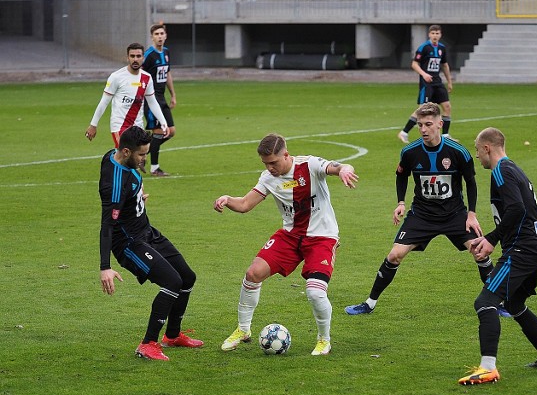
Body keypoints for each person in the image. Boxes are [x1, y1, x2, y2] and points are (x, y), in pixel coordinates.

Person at [214, 133, 359, 356]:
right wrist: (227, 199)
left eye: (273, 162)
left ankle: (324, 340)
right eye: (266, 163)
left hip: (322, 237)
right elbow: (244, 205)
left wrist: (345, 168)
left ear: (286, 155)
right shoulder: (268, 178)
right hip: (290, 236)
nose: (270, 168)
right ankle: (243, 330)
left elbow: (335, 166)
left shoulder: (309, 165)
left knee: (315, 292)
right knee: (253, 273)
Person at [345, 102, 493, 316]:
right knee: (395, 255)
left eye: (428, 124)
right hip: (422, 216)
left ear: (440, 124)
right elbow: (401, 176)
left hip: (455, 215)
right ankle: (369, 303)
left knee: (480, 252)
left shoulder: (459, 152)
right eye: (420, 125)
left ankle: (498, 303)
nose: (423, 129)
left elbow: (471, 182)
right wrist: (401, 203)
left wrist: (471, 214)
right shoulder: (410, 152)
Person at [459, 127, 537, 385]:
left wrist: (491, 239)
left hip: (522, 250)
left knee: (485, 301)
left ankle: (488, 367)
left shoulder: (502, 171)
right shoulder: (514, 168)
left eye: (476, 148)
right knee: (515, 305)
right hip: (536, 247)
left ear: (487, 148)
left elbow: (515, 209)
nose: (476, 154)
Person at [99, 126, 202, 361]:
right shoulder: (115, 187)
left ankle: (173, 336)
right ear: (126, 151)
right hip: (128, 243)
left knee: (187, 277)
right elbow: (107, 225)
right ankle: (147, 344)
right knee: (172, 281)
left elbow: (122, 175)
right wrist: (105, 267)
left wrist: (137, 196)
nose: (145, 158)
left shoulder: (111, 156)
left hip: (147, 232)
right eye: (142, 155)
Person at [86, 43, 168, 157]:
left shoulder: (147, 78)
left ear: (143, 58)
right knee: (126, 157)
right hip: (120, 126)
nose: (135, 59)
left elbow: (152, 102)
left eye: (138, 56)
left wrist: (163, 122)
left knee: (138, 159)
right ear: (127, 57)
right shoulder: (116, 77)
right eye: (132, 56)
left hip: (138, 127)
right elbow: (104, 102)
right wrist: (93, 125)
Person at [398, 25, 455, 144]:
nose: (435, 35)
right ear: (429, 34)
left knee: (447, 106)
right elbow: (414, 64)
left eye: (437, 33)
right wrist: (424, 74)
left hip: (438, 82)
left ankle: (445, 135)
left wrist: (449, 81)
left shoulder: (442, 48)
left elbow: (444, 65)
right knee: (423, 109)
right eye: (433, 33)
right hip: (426, 83)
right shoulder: (424, 47)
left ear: (440, 35)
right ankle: (404, 132)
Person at [142, 24, 177, 177]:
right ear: (152, 37)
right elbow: (140, 76)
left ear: (166, 35)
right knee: (159, 132)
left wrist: (173, 95)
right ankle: (154, 168)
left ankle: (140, 152)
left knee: (171, 131)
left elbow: (167, 74)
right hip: (150, 99)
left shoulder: (167, 52)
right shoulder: (149, 55)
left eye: (162, 33)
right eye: (156, 34)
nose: (160, 36)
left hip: (162, 98)